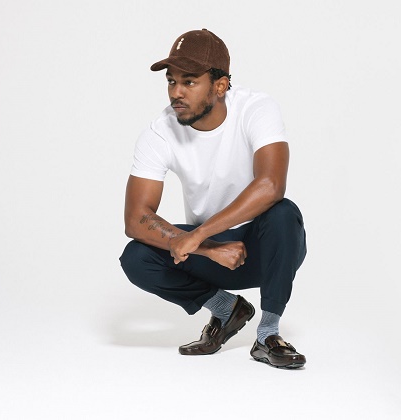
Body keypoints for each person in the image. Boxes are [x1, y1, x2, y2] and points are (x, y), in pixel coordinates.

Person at [119, 29, 307, 369]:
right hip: (212, 257)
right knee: (136, 257)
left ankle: (268, 335)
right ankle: (226, 309)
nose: (176, 92)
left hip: (267, 249)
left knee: (284, 212)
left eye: (189, 82)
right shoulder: (160, 131)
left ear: (220, 86)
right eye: (171, 81)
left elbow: (271, 184)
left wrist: (199, 234)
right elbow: (136, 218)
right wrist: (206, 247)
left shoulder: (256, 108)